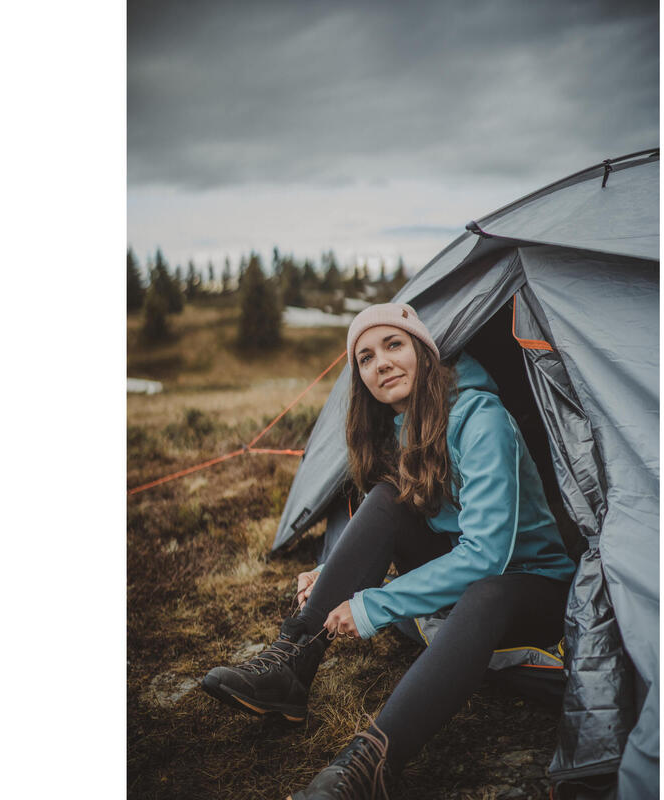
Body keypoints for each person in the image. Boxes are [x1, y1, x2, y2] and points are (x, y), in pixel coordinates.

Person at [202, 302, 577, 799]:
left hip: (533, 588)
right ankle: (291, 665)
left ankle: (370, 766)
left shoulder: (481, 419)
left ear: (424, 351)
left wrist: (373, 604)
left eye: (393, 345)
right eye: (365, 358)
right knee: (384, 500)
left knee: (488, 591)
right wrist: (334, 571)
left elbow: (487, 555)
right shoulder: (393, 431)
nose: (380, 363)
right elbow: (401, 521)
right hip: (465, 578)